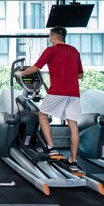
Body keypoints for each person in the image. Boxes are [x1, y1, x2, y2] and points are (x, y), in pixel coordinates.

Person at [17, 26, 84, 172]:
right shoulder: (74, 51)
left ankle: (51, 147)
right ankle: (73, 161)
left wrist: (20, 74)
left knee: (42, 115)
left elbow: (35, 69)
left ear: (53, 37)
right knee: (73, 125)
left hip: (57, 90)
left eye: (50, 36)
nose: (49, 38)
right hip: (73, 93)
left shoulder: (51, 50)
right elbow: (80, 75)